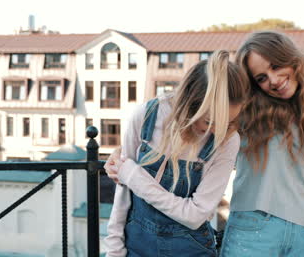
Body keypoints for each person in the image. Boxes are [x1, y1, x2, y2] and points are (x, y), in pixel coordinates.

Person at [103, 50, 249, 257]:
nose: (217, 131)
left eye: (228, 121)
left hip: (191, 250)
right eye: (209, 122)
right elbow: (123, 195)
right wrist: (114, 251)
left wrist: (134, 177)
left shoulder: (228, 139)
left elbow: (196, 215)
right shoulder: (146, 116)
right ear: (189, 105)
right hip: (136, 246)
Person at [218, 31, 304, 257]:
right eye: (261, 78)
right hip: (251, 232)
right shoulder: (247, 112)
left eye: (276, 66)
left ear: (292, 59)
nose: (274, 80)